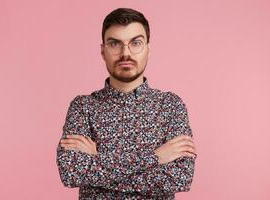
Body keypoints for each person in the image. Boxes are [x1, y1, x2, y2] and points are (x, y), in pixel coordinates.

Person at [56, 7, 197, 200]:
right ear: (103, 51)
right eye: (114, 43)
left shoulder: (170, 105)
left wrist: (98, 161)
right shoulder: (83, 106)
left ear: (148, 48)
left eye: (136, 43)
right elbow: (71, 172)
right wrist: (155, 158)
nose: (125, 53)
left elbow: (180, 177)